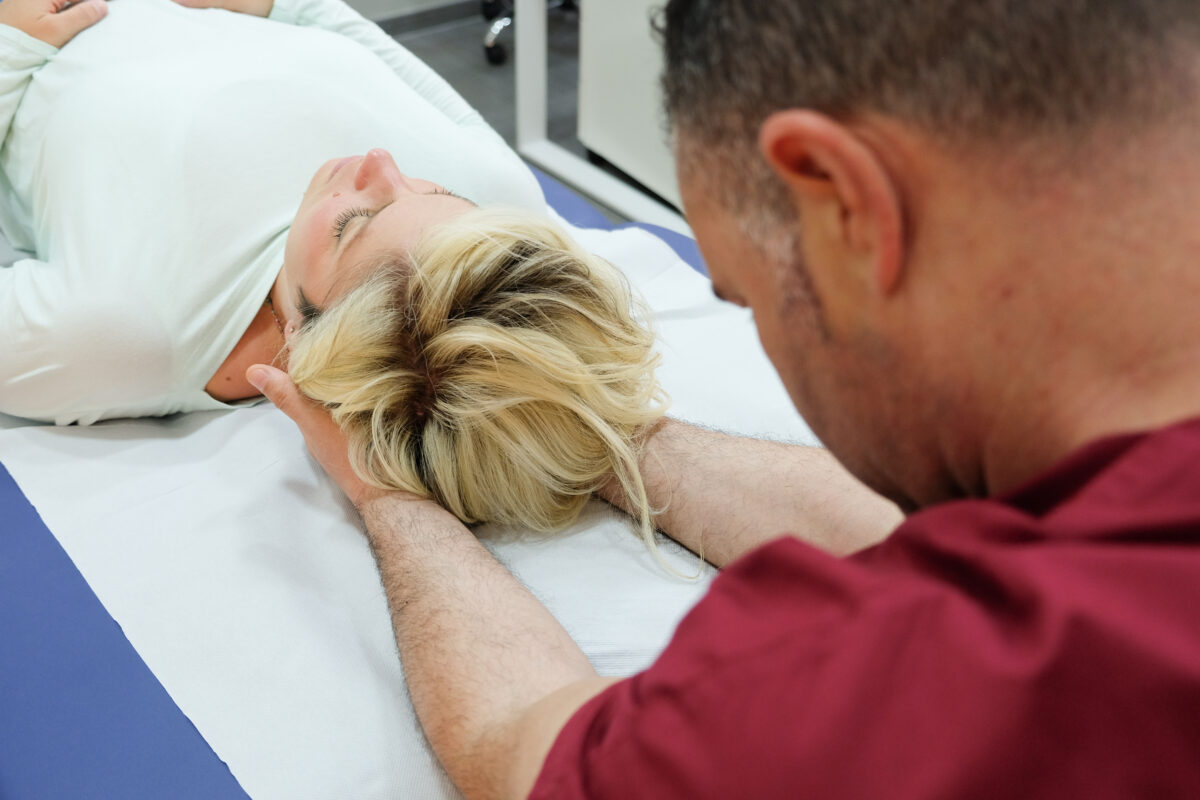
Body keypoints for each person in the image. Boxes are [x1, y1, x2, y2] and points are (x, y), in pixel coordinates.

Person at [252, 0, 1200, 797]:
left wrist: (382, 493)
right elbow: (910, 536)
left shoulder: (929, 686)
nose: (380, 164)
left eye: (744, 295)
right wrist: (583, 421)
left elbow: (527, 744)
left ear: (847, 204)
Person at [0, 0, 667, 538]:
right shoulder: (499, 205)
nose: (379, 162)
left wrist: (10, 46)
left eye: (353, 224)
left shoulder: (119, 335)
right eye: (432, 190)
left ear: (302, 344)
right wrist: (275, 6)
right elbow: (360, 41)